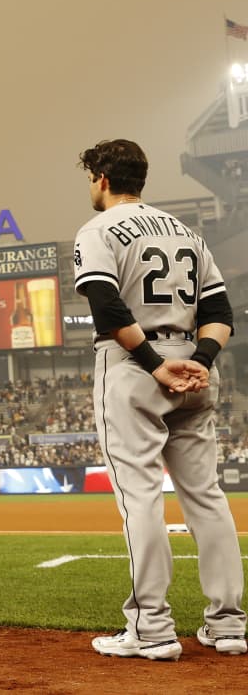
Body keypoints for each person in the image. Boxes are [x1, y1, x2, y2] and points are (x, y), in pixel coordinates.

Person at [74, 139, 245, 660]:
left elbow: (105, 305)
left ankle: (151, 627)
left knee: (140, 497)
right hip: (193, 367)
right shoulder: (187, 233)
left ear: (102, 177)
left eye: (90, 177)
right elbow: (221, 313)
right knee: (207, 497)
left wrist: (154, 365)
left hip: (135, 368)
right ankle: (229, 624)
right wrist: (202, 360)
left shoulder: (98, 229)